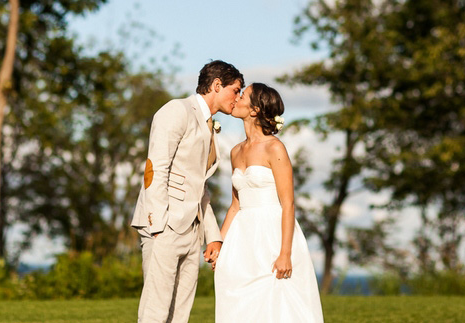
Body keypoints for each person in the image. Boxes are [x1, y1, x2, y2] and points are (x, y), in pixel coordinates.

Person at [131, 60, 244, 323]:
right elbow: (155, 169)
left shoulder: (209, 124)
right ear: (217, 85)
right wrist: (158, 226)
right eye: (236, 90)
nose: (237, 98)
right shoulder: (177, 110)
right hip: (165, 227)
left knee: (180, 315)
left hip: (192, 232)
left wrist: (212, 236)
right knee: (155, 312)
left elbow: (198, 186)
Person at [214, 83, 323, 323]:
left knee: (277, 306)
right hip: (242, 238)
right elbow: (235, 205)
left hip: (272, 235)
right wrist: (218, 242)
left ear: (254, 109)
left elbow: (288, 204)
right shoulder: (235, 152)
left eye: (243, 94)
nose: (237, 97)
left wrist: (285, 253)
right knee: (239, 305)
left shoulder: (275, 148)